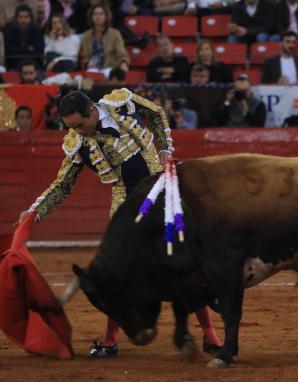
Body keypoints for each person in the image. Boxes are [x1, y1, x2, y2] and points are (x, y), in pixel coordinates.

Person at [16, 89, 221, 357]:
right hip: (126, 206)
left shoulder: (120, 102)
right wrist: (34, 212)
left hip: (162, 188)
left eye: (80, 125)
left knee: (184, 260)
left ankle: (209, 333)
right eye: (71, 128)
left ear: (92, 111)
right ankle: (111, 340)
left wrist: (164, 147)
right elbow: (62, 184)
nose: (78, 132)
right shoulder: (78, 144)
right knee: (116, 274)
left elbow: (156, 114)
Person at [82, 4, 130, 78]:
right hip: (93, 68)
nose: (98, 16)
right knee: (90, 75)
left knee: (108, 74)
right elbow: (87, 56)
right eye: (95, 14)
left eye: (101, 14)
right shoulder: (86, 35)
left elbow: (121, 53)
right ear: (91, 17)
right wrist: (88, 62)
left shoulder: (114, 33)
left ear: (106, 16)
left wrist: (123, 63)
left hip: (110, 67)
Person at [4, 4, 45, 70]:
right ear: (16, 18)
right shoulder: (9, 32)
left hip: (34, 66)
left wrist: (19, 50)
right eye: (20, 17)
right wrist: (28, 49)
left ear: (30, 19)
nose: (23, 20)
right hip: (14, 65)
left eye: (26, 17)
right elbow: (9, 52)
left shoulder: (37, 31)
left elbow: (39, 52)